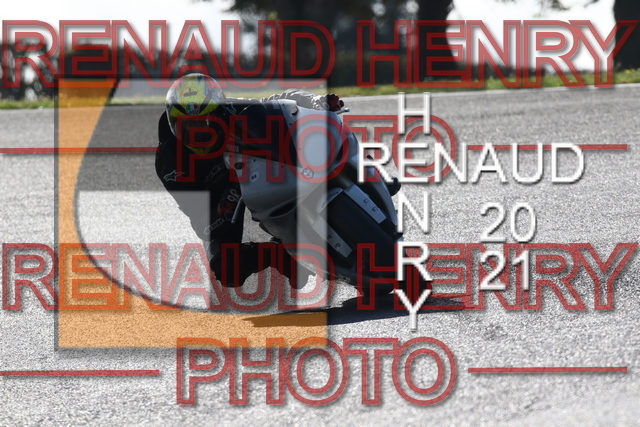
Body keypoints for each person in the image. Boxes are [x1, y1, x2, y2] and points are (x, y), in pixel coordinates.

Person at [155, 73, 345, 289]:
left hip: (252, 168)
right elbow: (201, 222)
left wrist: (317, 101)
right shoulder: (170, 165)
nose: (199, 136)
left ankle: (353, 177)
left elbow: (279, 100)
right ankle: (280, 254)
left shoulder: (229, 109)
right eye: (188, 127)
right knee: (226, 268)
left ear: (218, 111)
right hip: (219, 199)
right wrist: (224, 207)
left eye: (206, 123)